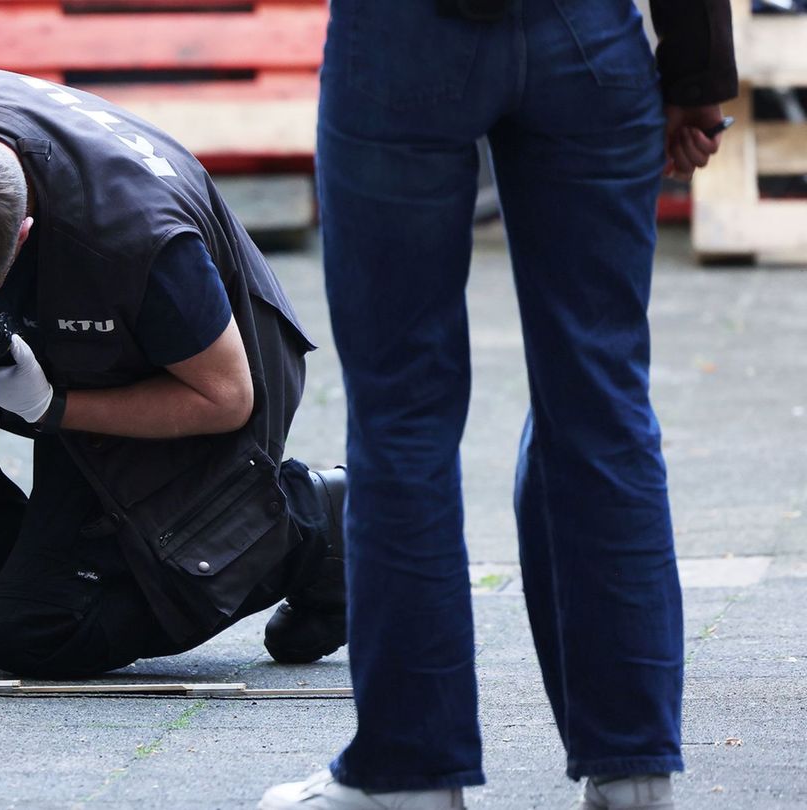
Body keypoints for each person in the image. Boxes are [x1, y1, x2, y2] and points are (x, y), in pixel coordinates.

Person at [259, 1, 737, 808]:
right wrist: (698, 68)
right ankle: (632, 771)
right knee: (601, 397)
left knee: (402, 411)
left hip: (403, 36)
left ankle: (410, 773)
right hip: (585, 36)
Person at [0, 67, 348, 678]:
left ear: (23, 235)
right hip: (64, 332)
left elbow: (226, 398)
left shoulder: (137, 239)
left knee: (39, 634)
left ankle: (312, 525)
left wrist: (54, 406)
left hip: (182, 376)